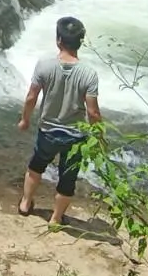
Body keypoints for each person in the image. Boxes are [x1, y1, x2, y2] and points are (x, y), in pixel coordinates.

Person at [17, 15, 101, 227]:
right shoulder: (89, 74)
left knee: (36, 166)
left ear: (59, 40)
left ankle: (25, 204)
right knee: (67, 178)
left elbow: (31, 97)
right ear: (80, 42)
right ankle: (55, 219)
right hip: (75, 136)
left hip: (48, 130)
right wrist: (99, 136)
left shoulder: (44, 66)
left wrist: (24, 120)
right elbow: (93, 113)